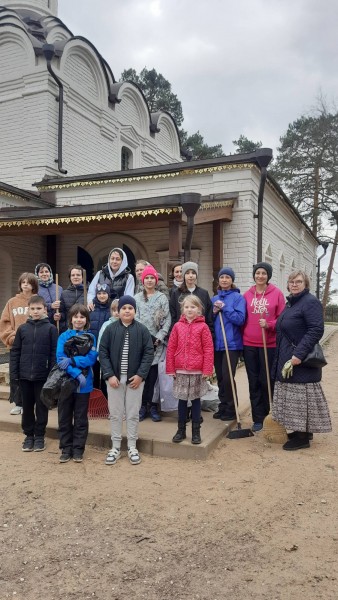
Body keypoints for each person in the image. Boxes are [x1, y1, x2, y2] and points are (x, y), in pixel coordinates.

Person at [272, 270, 331, 451]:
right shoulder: (291, 303)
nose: (294, 284)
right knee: (294, 397)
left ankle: (303, 438)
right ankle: (300, 431)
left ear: (306, 284)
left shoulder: (310, 302)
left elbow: (316, 329)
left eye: (298, 281)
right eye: (291, 281)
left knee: (300, 398)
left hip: (300, 360)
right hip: (287, 355)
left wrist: (299, 354)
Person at [99, 295, 154, 466]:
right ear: (118, 311)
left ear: (135, 311)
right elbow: (103, 352)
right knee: (115, 414)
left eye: (130, 308)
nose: (127, 311)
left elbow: (148, 353)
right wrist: (109, 375)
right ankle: (115, 446)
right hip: (114, 379)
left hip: (135, 380)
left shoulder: (142, 330)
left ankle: (132, 446)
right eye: (124, 308)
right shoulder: (110, 329)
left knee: (132, 414)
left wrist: (140, 375)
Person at [10, 295, 58, 452]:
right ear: (28, 310)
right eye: (33, 309)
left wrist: (51, 375)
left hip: (42, 376)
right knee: (27, 407)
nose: (36, 311)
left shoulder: (51, 329)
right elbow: (15, 352)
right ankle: (29, 435)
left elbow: (53, 354)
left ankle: (39, 436)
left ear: (45, 309)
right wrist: (14, 373)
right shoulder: (22, 329)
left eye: (39, 308)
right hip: (24, 376)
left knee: (42, 407)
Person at [242, 262, 285, 432]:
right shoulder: (247, 295)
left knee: (267, 380)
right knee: (253, 382)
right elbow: (242, 317)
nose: (260, 276)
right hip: (249, 344)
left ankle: (271, 415)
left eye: (264, 273)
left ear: (268, 276)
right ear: (254, 275)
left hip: (269, 344)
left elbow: (282, 319)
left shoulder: (277, 294)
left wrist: (269, 324)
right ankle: (258, 418)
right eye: (258, 273)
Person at [166, 295, 214, 444]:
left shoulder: (203, 327)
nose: (189, 310)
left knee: (195, 401)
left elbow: (208, 348)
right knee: (181, 401)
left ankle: (196, 431)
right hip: (180, 370)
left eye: (193, 307)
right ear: (183, 309)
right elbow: (171, 347)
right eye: (186, 307)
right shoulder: (177, 326)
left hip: (197, 370)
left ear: (199, 309)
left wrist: (207, 370)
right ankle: (181, 430)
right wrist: (171, 368)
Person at [56, 304, 98, 463]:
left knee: (80, 418)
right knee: (64, 417)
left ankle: (78, 449)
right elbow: (60, 360)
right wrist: (76, 373)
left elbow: (91, 358)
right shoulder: (63, 336)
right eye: (76, 316)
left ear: (86, 320)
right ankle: (66, 448)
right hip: (66, 383)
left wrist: (73, 360)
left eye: (82, 317)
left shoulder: (91, 337)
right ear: (71, 319)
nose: (78, 320)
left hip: (83, 385)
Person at [135, 265, 171, 422]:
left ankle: (153, 405)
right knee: (142, 375)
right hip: (141, 343)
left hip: (157, 343)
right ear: (143, 281)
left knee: (154, 377)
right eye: (147, 278)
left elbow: (167, 319)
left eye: (152, 278)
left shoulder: (162, 298)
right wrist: (142, 337)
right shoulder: (136, 298)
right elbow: (134, 318)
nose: (149, 281)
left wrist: (159, 337)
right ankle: (142, 405)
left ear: (156, 281)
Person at [0, 272, 39, 415]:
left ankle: (31, 403)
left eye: (29, 282)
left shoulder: (38, 301)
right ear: (20, 284)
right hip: (16, 345)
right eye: (23, 282)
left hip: (33, 345)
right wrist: (11, 337)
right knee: (15, 373)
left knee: (31, 374)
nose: (25, 284)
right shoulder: (12, 302)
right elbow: (4, 322)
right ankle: (18, 403)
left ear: (34, 285)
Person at [212, 267, 246, 421]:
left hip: (231, 344)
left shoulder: (238, 298)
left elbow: (240, 319)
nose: (224, 279)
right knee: (219, 377)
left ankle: (232, 408)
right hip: (217, 344)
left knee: (227, 376)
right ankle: (223, 405)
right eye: (222, 277)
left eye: (227, 277)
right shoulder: (214, 298)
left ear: (232, 280)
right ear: (218, 280)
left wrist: (225, 309)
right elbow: (209, 321)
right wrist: (213, 313)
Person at [169, 261, 214, 337]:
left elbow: (209, 317)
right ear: (183, 275)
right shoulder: (176, 293)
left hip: (200, 335)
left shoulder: (204, 293)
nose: (190, 276)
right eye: (187, 273)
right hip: (181, 334)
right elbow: (173, 316)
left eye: (193, 273)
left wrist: (210, 335)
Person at [89, 283, 111, 389]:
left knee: (105, 376)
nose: (102, 296)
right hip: (93, 348)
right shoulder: (91, 309)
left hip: (106, 349)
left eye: (104, 293)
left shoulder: (112, 311)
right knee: (94, 374)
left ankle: (105, 398)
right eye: (99, 293)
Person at [56, 265, 86, 332]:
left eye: (78, 275)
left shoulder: (88, 293)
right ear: (70, 278)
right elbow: (62, 312)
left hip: (84, 329)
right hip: (68, 329)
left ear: (83, 277)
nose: (75, 277)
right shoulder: (64, 293)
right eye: (73, 275)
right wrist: (59, 316)